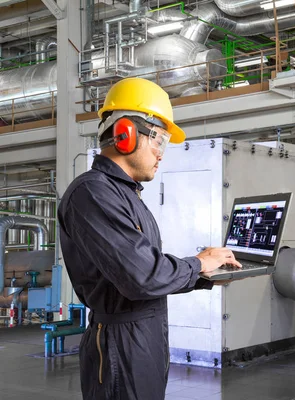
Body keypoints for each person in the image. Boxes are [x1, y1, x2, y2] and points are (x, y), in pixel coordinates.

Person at [57, 77, 242, 400]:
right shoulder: (93, 193)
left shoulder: (125, 195)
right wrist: (197, 263)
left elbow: (143, 267)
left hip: (144, 337)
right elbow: (141, 276)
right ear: (125, 134)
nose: (161, 153)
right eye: (158, 140)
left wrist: (201, 274)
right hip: (120, 345)